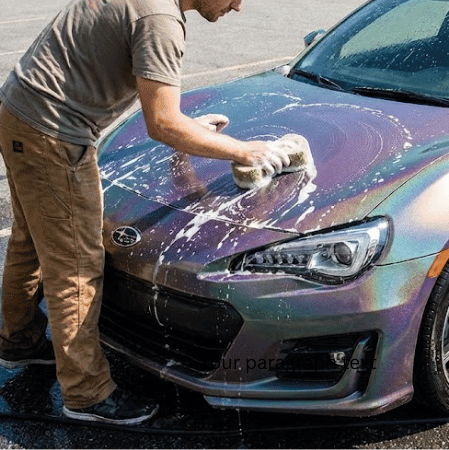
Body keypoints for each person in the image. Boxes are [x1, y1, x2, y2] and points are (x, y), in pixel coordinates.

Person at [0, 0, 289, 425]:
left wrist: (186, 126)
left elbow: (155, 103)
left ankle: (18, 341)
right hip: (54, 137)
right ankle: (86, 393)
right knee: (76, 266)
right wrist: (243, 149)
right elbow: (163, 123)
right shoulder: (160, 21)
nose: (238, 6)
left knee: (30, 239)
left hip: (20, 115)